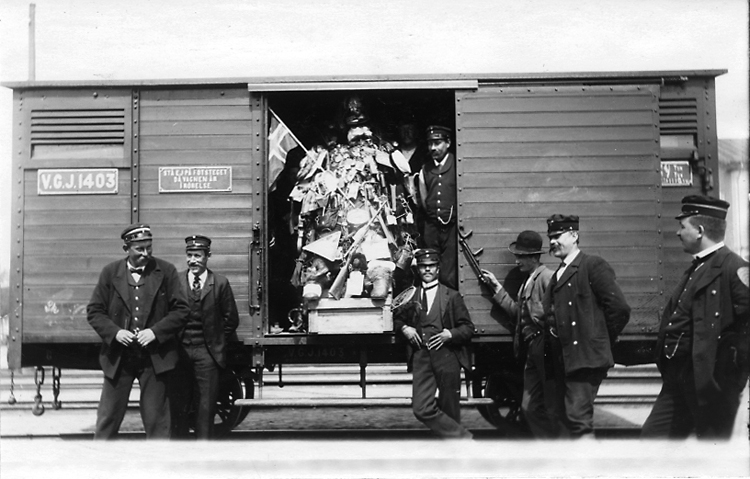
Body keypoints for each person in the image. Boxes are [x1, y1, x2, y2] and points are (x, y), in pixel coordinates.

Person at [641, 195, 749, 439]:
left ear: (699, 231)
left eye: (682, 226)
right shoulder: (697, 267)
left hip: (710, 382)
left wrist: (731, 379)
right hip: (678, 378)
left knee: (712, 446)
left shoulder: (734, 268)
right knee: (653, 439)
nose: (678, 233)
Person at [87, 224, 189, 439]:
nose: (146, 253)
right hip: (119, 358)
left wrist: (155, 333)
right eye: (139, 249)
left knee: (157, 421)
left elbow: (181, 310)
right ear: (126, 248)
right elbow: (94, 311)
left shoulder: (166, 271)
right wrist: (115, 333)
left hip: (155, 358)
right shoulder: (110, 272)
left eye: (149, 247)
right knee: (108, 418)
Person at [542, 214, 631, 438]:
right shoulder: (559, 273)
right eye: (550, 237)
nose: (552, 241)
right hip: (565, 359)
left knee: (577, 420)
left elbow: (619, 308)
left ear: (574, 236)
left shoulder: (592, 265)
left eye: (558, 236)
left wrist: (597, 338)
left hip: (584, 359)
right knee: (564, 419)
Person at [481, 230, 561, 438]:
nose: (517, 261)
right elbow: (519, 314)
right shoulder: (528, 281)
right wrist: (496, 287)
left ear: (534, 258)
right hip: (532, 349)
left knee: (552, 405)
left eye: (521, 257)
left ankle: (560, 448)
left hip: (544, 348)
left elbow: (559, 314)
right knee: (529, 407)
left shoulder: (547, 278)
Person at [394, 248, 475, 438]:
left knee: (450, 408)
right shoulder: (411, 295)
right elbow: (396, 318)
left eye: (431, 266)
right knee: (421, 408)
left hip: (447, 356)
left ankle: (453, 449)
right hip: (421, 356)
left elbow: (468, 328)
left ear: (438, 268)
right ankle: (463, 438)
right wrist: (405, 328)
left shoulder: (452, 296)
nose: (428, 270)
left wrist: (450, 334)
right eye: (423, 266)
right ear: (418, 269)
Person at [173, 235, 240, 439]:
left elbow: (231, 319)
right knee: (180, 405)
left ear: (207, 256)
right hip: (181, 353)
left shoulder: (219, 283)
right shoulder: (176, 282)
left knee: (206, 406)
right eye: (189, 255)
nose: (192, 260)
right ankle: (179, 448)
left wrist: (215, 342)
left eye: (197, 256)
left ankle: (204, 449)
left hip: (207, 355)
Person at [418, 125, 458, 289]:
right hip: (432, 229)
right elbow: (424, 199)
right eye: (430, 143)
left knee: (449, 273)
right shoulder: (425, 169)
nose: (433, 148)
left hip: (452, 229)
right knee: (430, 269)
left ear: (448, 143)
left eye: (437, 143)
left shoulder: (457, 164)